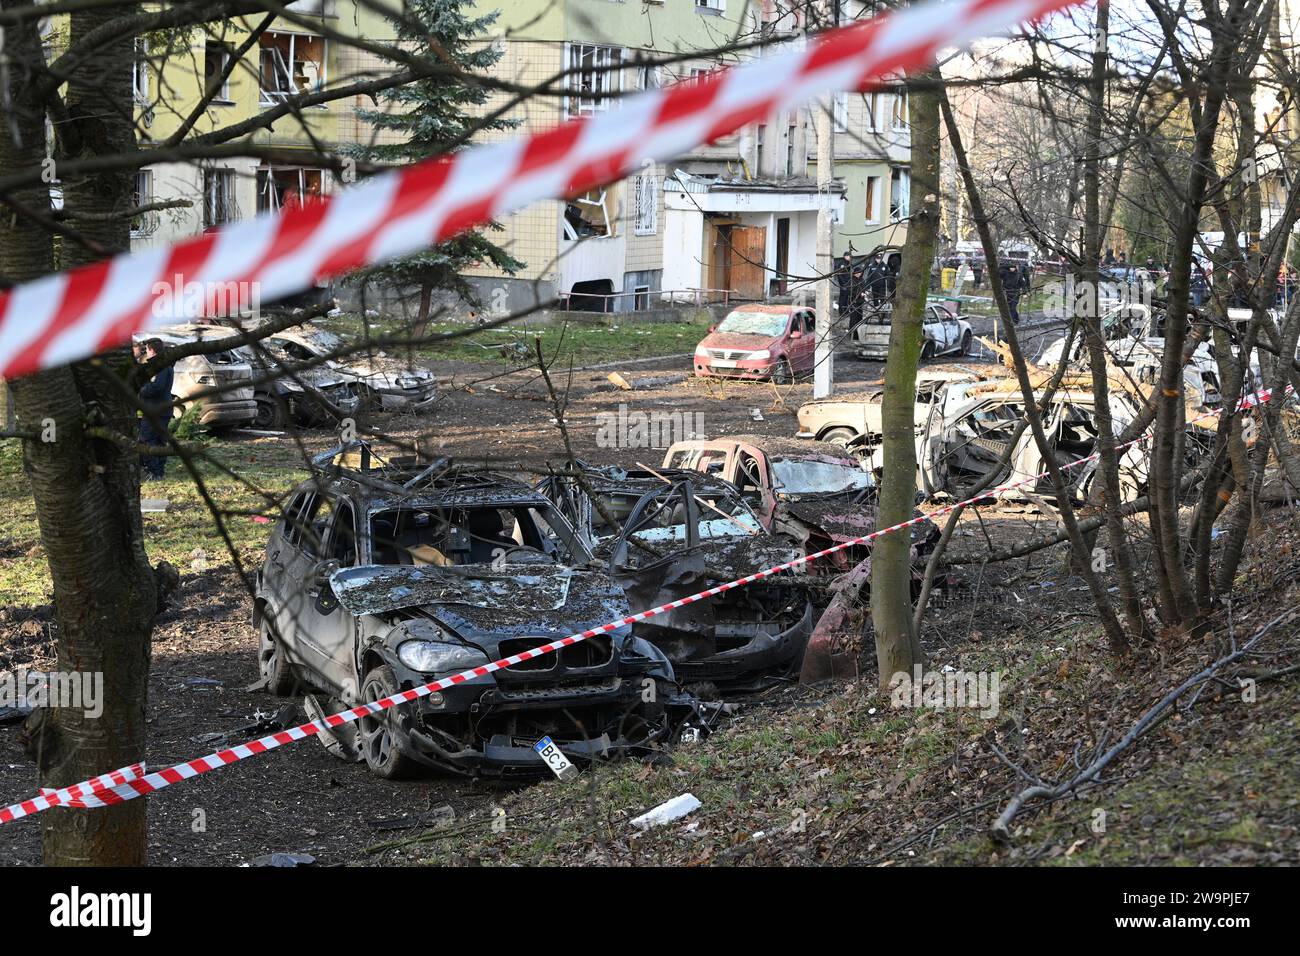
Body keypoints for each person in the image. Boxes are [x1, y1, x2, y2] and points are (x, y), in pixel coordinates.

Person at [137, 339, 174, 482]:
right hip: (160, 410)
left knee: (147, 441)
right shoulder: (162, 365)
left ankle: (153, 472)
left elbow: (156, 387)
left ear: (152, 350)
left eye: (146, 350)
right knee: (158, 442)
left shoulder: (161, 367)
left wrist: (140, 390)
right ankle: (158, 472)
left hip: (155, 411)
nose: (146, 353)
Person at [836, 252, 854, 316]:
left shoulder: (848, 263)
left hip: (848, 284)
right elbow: (839, 275)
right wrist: (843, 283)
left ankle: (846, 312)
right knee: (842, 298)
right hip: (844, 284)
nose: (850, 258)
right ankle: (841, 312)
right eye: (849, 256)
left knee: (847, 298)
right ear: (845, 256)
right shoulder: (842, 264)